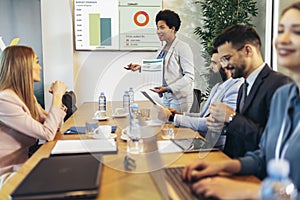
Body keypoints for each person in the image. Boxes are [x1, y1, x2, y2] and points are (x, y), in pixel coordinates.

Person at [182, 2, 300, 199]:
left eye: (296, 31)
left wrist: (253, 191)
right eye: (280, 30)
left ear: (247, 50)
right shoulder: (283, 95)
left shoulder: (278, 85)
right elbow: (267, 153)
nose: (282, 39)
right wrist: (223, 165)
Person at [207, 24, 292, 158]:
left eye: (227, 58)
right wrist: (224, 125)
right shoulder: (243, 87)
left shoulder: (281, 85)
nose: (224, 66)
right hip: (237, 166)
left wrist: (232, 117)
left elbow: (275, 142)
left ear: (247, 50)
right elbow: (242, 133)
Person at [0, 46, 67, 186]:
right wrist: (57, 96)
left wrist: (57, 100)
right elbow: (47, 133)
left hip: (24, 163)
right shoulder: (4, 100)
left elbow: (55, 126)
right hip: (7, 173)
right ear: (23, 67)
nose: (40, 67)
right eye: (36, 62)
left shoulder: (27, 97)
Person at [124, 9, 194, 112]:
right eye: (157, 28)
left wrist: (169, 88)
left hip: (179, 97)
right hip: (166, 95)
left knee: (175, 125)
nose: (158, 31)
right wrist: (140, 67)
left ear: (172, 28)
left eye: (162, 27)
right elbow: (158, 67)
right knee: (166, 125)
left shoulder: (183, 47)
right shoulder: (162, 48)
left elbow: (189, 76)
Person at [160, 48, 243, 135]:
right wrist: (180, 114)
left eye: (214, 63)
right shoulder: (217, 86)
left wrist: (173, 117)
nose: (210, 66)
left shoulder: (236, 87)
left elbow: (212, 123)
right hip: (202, 138)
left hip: (216, 144)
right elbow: (203, 115)